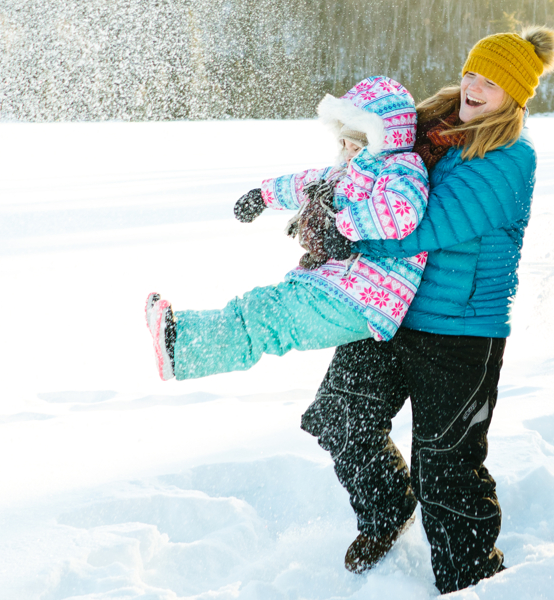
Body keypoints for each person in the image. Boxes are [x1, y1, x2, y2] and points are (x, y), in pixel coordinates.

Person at [299, 26, 554, 593]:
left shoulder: (509, 159)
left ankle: (471, 584)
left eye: (491, 82)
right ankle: (388, 507)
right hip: (388, 308)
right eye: (472, 72)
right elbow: (369, 163)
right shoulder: (427, 129)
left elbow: (422, 226)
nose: (474, 86)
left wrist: (344, 230)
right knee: (340, 418)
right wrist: (330, 197)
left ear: (514, 95)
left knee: (445, 466)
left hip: (460, 332)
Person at [144, 75, 430, 379]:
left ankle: (182, 347)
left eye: (357, 142)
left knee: (269, 318)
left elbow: (402, 211)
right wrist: (265, 195)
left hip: (367, 299)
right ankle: (183, 338)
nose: (347, 149)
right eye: (343, 140)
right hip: (340, 285)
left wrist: (344, 228)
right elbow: (307, 183)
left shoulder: (402, 168)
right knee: (263, 305)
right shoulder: (347, 170)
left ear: (382, 138)